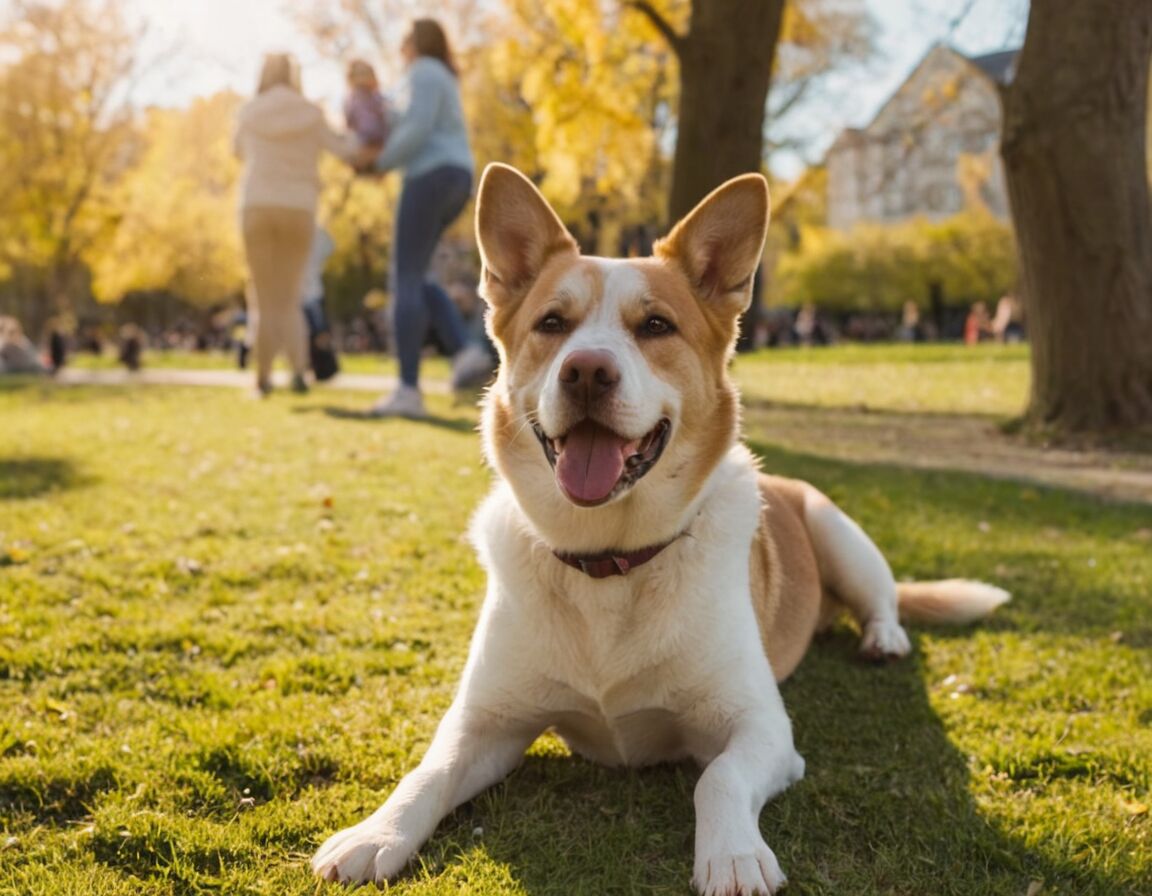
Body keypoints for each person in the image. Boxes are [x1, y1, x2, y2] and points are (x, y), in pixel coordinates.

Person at [358, 18, 492, 418]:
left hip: (429, 175)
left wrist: (380, 162)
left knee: (405, 277)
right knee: (417, 274)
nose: (401, 48)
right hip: (456, 176)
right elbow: (406, 121)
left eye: (404, 41)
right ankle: (466, 352)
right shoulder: (440, 77)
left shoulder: (423, 72)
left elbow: (415, 129)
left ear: (415, 42)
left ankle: (407, 388)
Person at [233, 52, 354, 398]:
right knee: (290, 295)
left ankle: (263, 378)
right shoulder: (311, 112)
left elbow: (236, 151)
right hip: (299, 208)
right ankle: (299, 371)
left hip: (256, 205)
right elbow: (342, 148)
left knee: (262, 295)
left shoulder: (248, 111)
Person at [344, 59, 392, 150]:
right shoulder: (357, 99)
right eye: (359, 74)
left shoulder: (375, 96)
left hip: (381, 147)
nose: (363, 78)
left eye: (366, 73)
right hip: (372, 149)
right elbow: (369, 129)